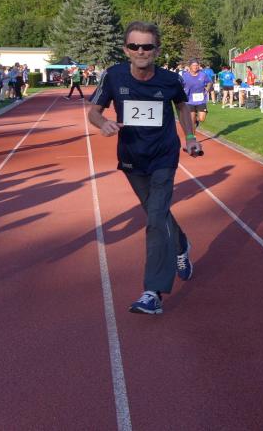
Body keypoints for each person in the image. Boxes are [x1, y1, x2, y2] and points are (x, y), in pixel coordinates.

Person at [88, 21, 199, 315]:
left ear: (156, 50)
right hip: (132, 158)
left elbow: (182, 106)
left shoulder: (170, 80)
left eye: (147, 46)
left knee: (155, 219)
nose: (141, 51)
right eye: (134, 46)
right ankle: (181, 244)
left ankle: (153, 292)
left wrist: (190, 137)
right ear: (126, 49)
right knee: (155, 212)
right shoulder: (113, 75)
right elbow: (94, 112)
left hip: (164, 155)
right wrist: (103, 123)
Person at [181, 58, 213, 129]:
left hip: (201, 100)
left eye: (197, 65)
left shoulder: (203, 75)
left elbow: (209, 82)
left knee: (202, 119)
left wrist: (207, 88)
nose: (195, 67)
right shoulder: (185, 75)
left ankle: (196, 119)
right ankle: (193, 134)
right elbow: (180, 85)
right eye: (193, 65)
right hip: (189, 100)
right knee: (192, 121)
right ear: (190, 66)